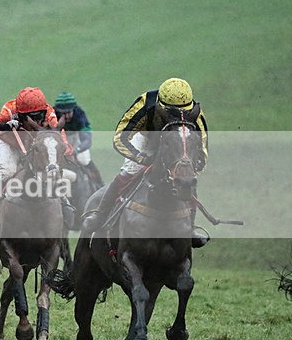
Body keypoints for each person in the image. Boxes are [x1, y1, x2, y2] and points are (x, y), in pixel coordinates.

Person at [81, 77, 210, 246]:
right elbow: (120, 138)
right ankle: (100, 214)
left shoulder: (195, 114)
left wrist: (191, 168)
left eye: (184, 112)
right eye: (172, 113)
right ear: (161, 105)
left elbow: (202, 148)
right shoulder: (145, 104)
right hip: (147, 141)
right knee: (129, 172)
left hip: (177, 145)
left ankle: (190, 228)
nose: (180, 116)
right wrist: (141, 158)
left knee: (187, 179)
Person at [0, 87, 64, 232]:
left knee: (50, 170)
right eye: (30, 117)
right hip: (10, 143)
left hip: (35, 147)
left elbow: (57, 135)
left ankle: (64, 203)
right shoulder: (9, 110)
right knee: (6, 172)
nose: (36, 120)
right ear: (20, 114)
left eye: (39, 116)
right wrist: (2, 125)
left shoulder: (49, 114)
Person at [53, 92, 103, 187]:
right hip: (59, 142)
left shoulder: (80, 114)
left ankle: (99, 184)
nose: (66, 116)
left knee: (84, 160)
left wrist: (75, 151)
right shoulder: (52, 115)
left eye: (69, 112)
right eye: (63, 113)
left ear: (74, 109)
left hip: (76, 142)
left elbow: (87, 140)